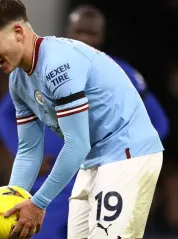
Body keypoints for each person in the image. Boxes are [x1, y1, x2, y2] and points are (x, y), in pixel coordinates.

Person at [0, 1, 164, 239]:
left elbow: (77, 143)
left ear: (17, 32)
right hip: (93, 158)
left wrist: (38, 203)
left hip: (126, 153)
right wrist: (11, 204)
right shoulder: (19, 81)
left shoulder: (58, 66)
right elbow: (28, 150)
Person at [0, 93, 72, 239]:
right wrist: (29, 152)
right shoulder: (33, 76)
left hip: (88, 181)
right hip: (48, 188)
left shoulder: (108, 73)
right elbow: (2, 114)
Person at [66, 4, 169, 140]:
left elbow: (159, 122)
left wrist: (133, 151)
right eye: (79, 31)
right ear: (68, 32)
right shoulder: (43, 69)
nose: (85, 38)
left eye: (92, 33)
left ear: (102, 36)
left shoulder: (122, 73)